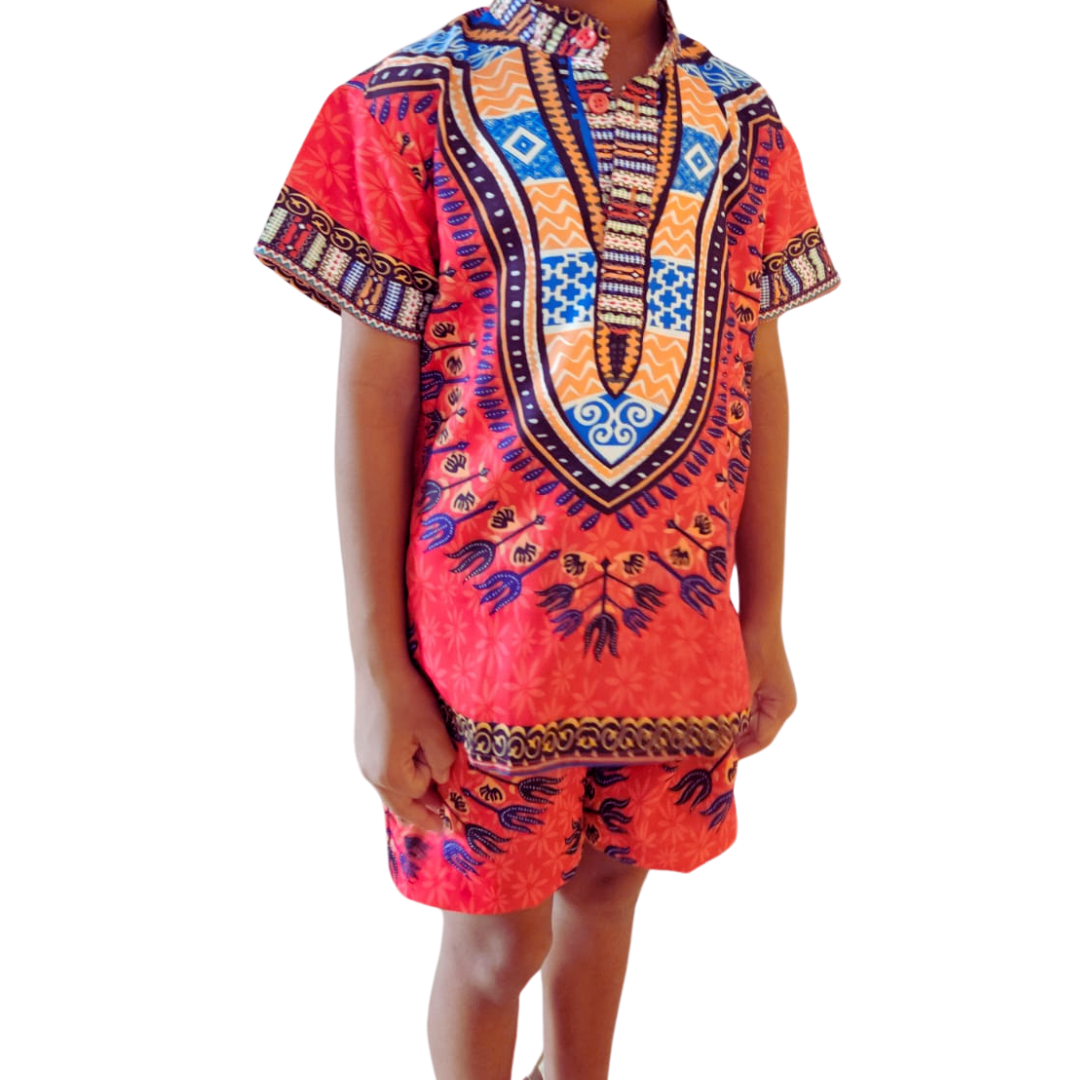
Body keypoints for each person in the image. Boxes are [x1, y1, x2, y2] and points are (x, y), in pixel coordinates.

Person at [252, 1, 841, 1077]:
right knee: (495, 944)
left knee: (611, 895)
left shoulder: (742, 119)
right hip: (486, 640)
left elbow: (756, 371)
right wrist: (377, 669)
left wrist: (765, 619)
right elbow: (373, 391)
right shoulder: (408, 101)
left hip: (675, 626)